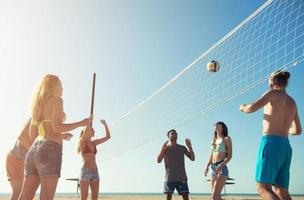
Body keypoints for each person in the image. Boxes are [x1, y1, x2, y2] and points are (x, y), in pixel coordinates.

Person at [18, 74, 92, 200]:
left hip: (33, 151)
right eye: (61, 86)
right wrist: (81, 123)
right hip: (50, 150)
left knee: (24, 197)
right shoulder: (57, 100)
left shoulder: (38, 105)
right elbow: (56, 127)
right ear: (54, 87)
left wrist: (57, 136)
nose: (62, 89)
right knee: (46, 197)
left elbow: (33, 134)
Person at [239, 70, 302, 200]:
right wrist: (284, 129)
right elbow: (298, 130)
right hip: (285, 147)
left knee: (263, 188)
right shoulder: (292, 102)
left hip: (271, 143)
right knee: (281, 191)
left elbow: (251, 108)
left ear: (272, 81)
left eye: (268, 79)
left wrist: (242, 106)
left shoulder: (272, 93)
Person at [77, 119, 111, 200]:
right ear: (87, 132)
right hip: (85, 171)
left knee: (95, 198)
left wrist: (105, 124)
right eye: (91, 129)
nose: (93, 130)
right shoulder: (82, 143)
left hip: (95, 171)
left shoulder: (94, 143)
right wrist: (89, 123)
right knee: (83, 198)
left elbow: (108, 137)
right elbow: (84, 135)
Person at [157, 129, 195, 200]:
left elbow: (192, 158)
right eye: (172, 133)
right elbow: (158, 160)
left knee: (185, 197)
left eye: (176, 133)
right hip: (169, 177)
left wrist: (190, 146)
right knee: (168, 196)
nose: (175, 134)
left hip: (182, 177)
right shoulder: (165, 148)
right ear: (168, 136)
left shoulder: (182, 147)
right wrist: (162, 149)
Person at [203, 122, 232, 200]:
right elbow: (211, 155)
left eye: (218, 124)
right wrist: (206, 166)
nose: (215, 125)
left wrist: (220, 166)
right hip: (213, 168)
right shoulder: (214, 140)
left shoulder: (227, 138)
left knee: (214, 197)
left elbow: (229, 156)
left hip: (221, 168)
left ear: (222, 127)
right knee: (217, 197)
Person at [6, 119, 33, 200]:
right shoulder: (34, 119)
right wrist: (35, 152)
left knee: (25, 192)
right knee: (18, 191)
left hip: (24, 160)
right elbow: (22, 137)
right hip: (16, 158)